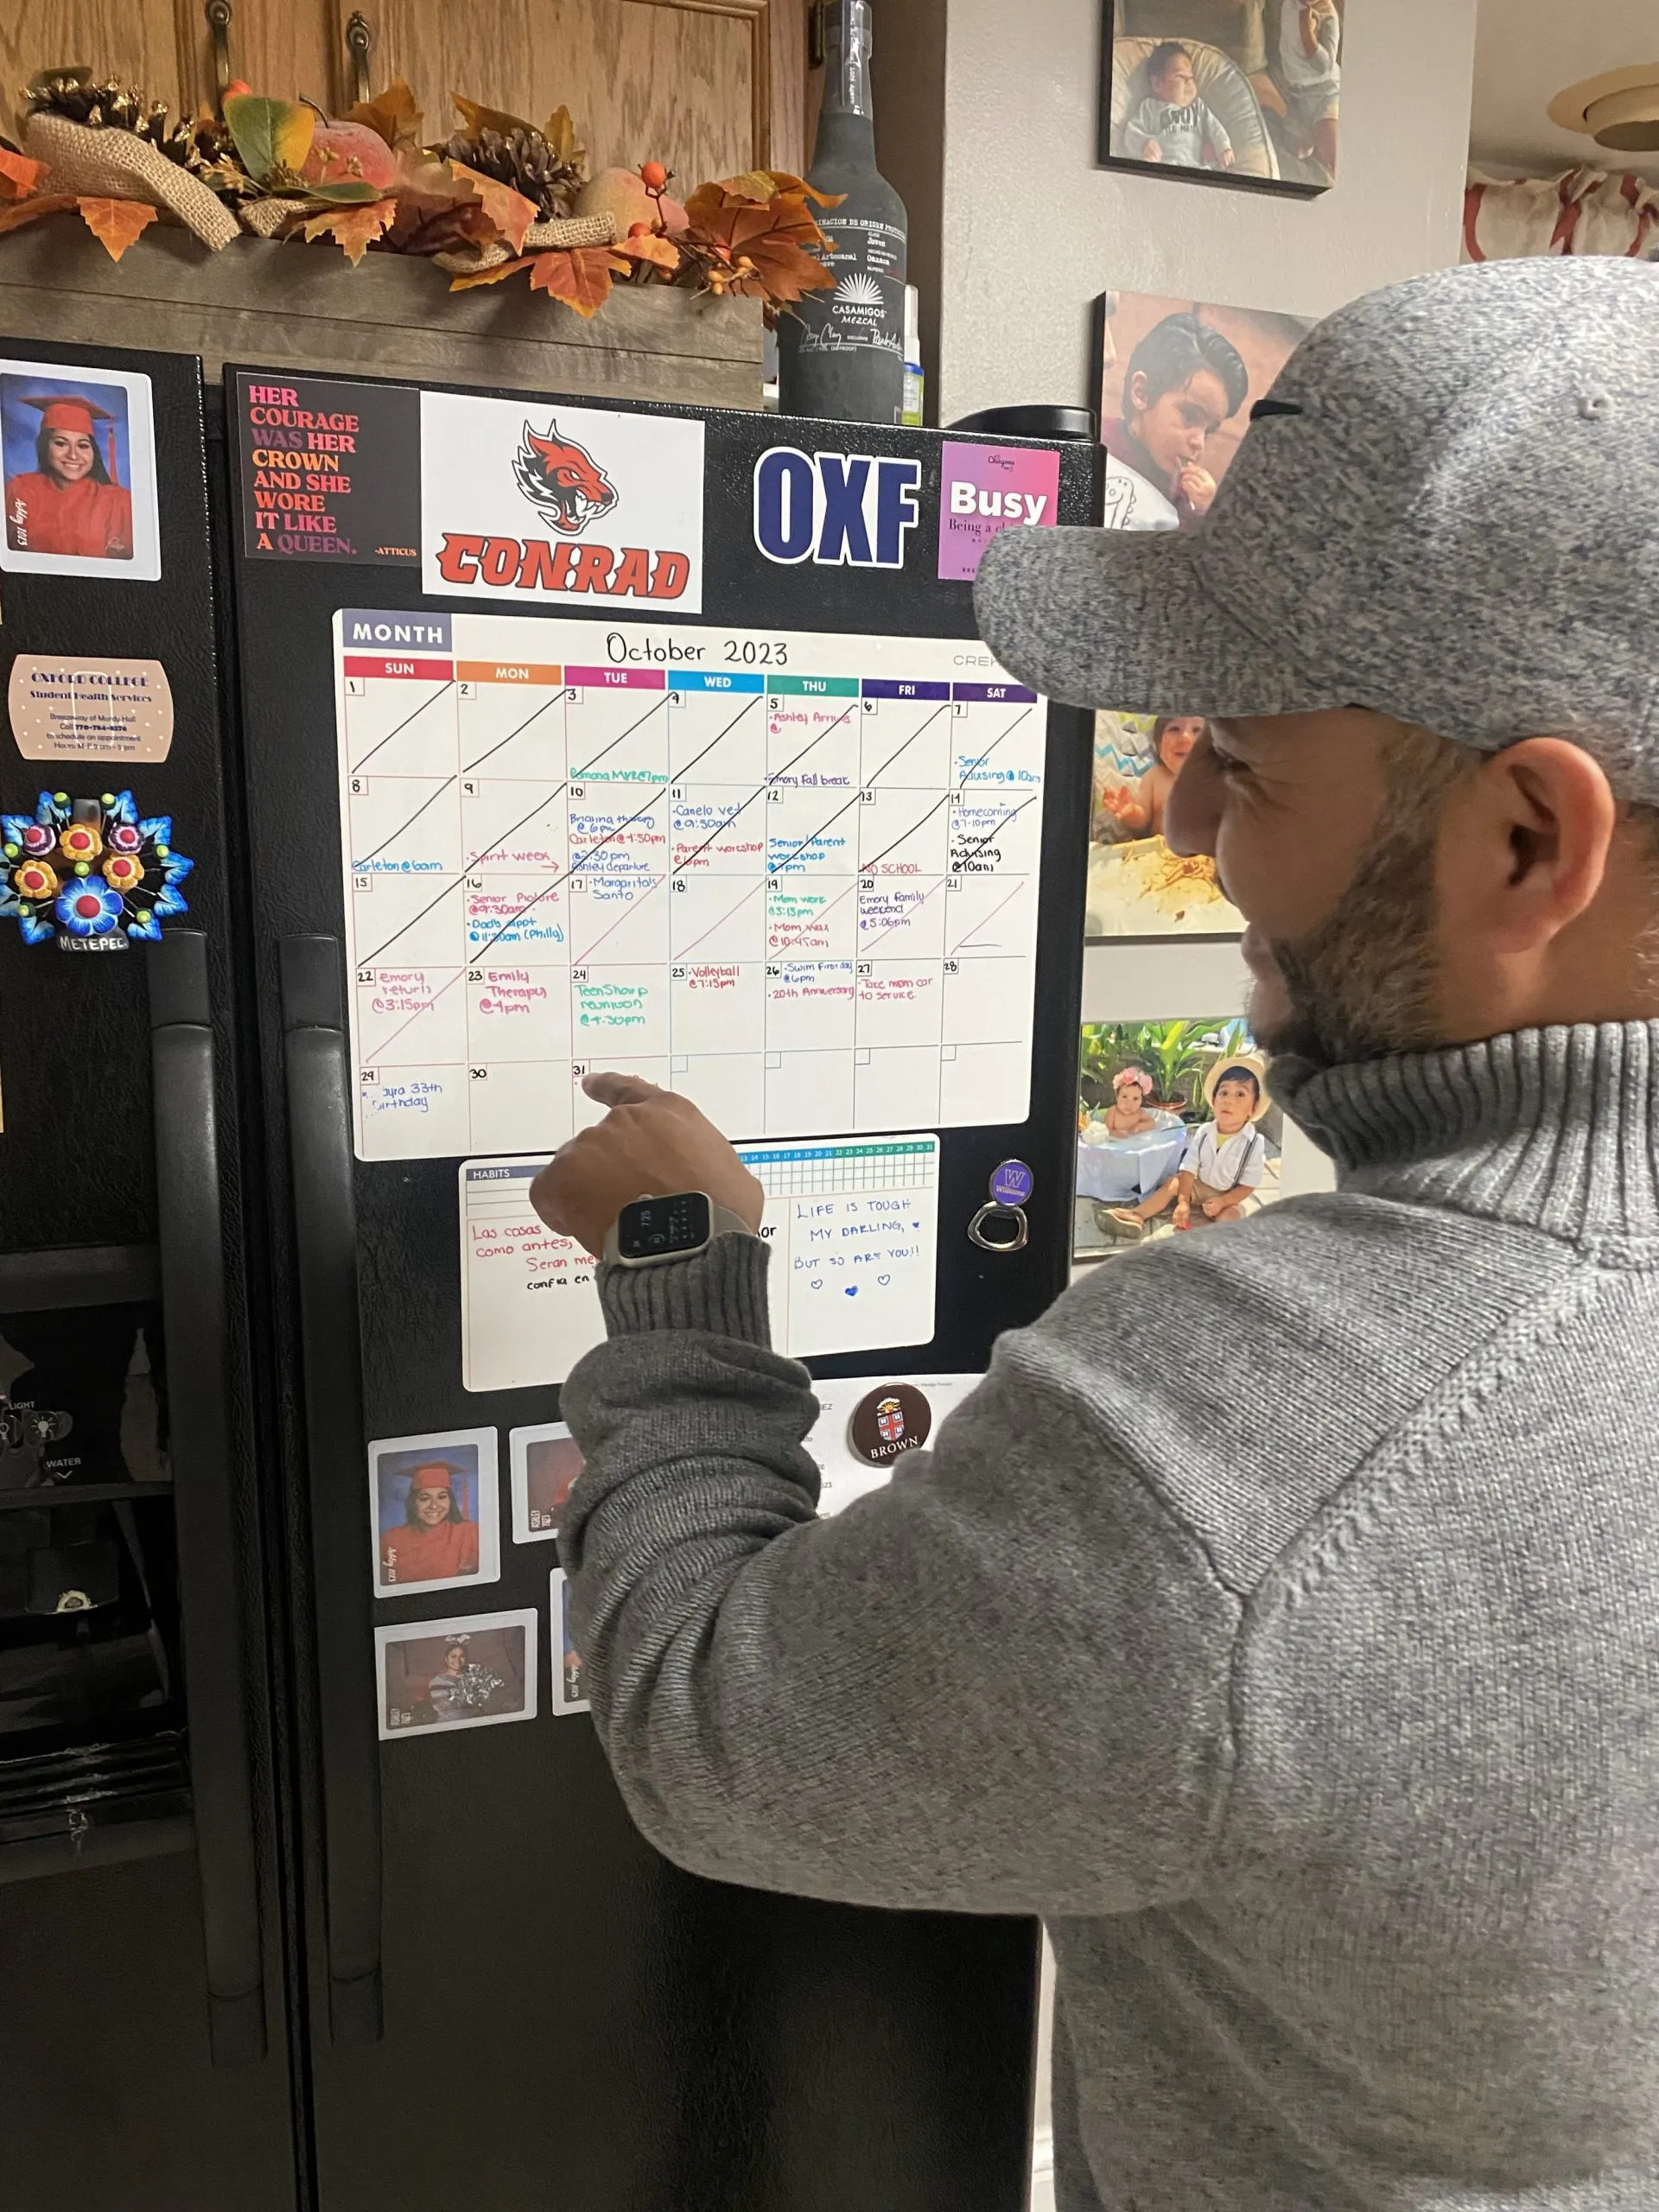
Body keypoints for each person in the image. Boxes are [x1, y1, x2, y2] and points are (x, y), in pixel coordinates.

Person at [530, 259, 1659, 2212]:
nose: (1195, 814)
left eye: (1250, 757)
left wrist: (676, 1274)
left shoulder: (1239, 1448)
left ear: (1524, 847)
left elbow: (706, 1715)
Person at [1101, 312, 1249, 531]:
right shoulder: (1095, 443)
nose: (1199, 442)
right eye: (1190, 416)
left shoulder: (1182, 497)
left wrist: (1205, 513)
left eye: (1208, 431)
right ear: (1141, 393)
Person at [1109, 1057, 1268, 1236]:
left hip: (1227, 1194)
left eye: (1240, 1094)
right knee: (1173, 1183)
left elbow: (1247, 1186)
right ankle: (1137, 1215)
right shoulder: (1205, 1132)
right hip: (1198, 1185)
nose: (1228, 1100)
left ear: (1253, 1108)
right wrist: (1183, 1201)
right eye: (1223, 1093)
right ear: (1214, 1101)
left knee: (1232, 1217)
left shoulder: (1254, 1144)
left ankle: (1216, 1240)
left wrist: (1223, 1202)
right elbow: (1189, 1168)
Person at [3, 394, 132, 560]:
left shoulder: (118, 501)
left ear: (93, 451)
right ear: (44, 446)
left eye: (83, 446)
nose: (73, 455)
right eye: (61, 443)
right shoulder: (19, 489)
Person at [1123, 40, 1236, 172]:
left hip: (1196, 167)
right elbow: (1131, 132)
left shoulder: (1198, 107)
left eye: (1191, 77)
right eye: (1181, 76)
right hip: (1163, 166)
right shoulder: (1149, 107)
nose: (1189, 82)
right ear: (1158, 83)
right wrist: (1143, 144)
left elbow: (1215, 127)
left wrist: (1223, 148)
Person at [1100, 715, 1206, 837]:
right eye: (1175, 729)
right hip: (1162, 854)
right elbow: (1142, 820)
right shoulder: (1155, 777)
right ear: (1159, 745)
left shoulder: (1218, 778)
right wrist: (1130, 812)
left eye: (1198, 730)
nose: (1185, 737)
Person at [378, 1460, 480, 1586]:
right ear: (413, 1503)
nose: (434, 1506)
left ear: (450, 1501)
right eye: (424, 1499)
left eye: (442, 1497)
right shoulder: (391, 1539)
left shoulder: (470, 1533)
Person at [1273, 0, 1340, 177]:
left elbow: (1325, 66)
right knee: (1289, 156)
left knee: (1332, 156)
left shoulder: (1327, 15)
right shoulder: (1289, 5)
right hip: (1296, 94)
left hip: (1324, 93)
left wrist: (1308, 35)